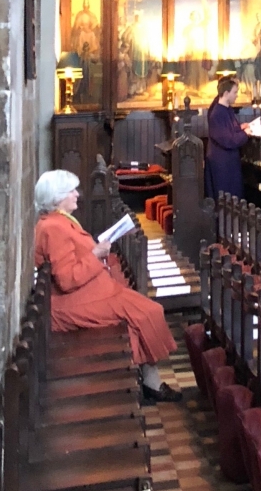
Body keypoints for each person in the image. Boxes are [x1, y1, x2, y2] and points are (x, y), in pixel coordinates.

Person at [33, 170, 180, 403]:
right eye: (71, 191)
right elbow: (67, 279)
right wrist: (96, 254)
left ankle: (150, 382)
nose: (77, 194)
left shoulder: (58, 221)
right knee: (149, 312)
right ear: (57, 197)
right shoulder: (53, 228)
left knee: (142, 315)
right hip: (71, 303)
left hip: (88, 291)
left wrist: (96, 252)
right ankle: (148, 383)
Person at [205, 75, 258, 199]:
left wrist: (241, 128)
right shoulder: (217, 113)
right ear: (226, 93)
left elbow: (230, 129)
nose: (237, 95)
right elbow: (228, 140)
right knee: (226, 199)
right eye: (234, 92)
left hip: (229, 161)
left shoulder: (226, 109)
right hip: (222, 164)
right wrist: (245, 133)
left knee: (233, 198)